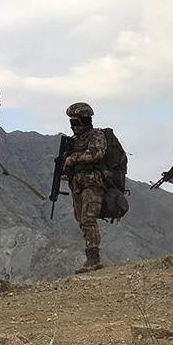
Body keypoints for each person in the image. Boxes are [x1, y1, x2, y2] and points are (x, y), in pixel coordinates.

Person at [62, 102, 106, 274]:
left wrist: (74, 159)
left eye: (76, 121)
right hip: (77, 184)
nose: (73, 126)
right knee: (81, 220)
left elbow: (97, 154)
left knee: (88, 219)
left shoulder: (96, 135)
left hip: (92, 183)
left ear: (84, 120)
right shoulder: (74, 141)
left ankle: (93, 258)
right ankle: (91, 257)